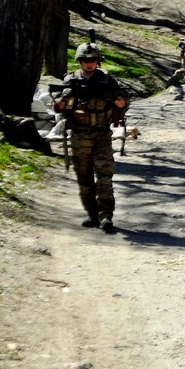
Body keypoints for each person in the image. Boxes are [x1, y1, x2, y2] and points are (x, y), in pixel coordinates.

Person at [53, 42, 129, 234]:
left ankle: (106, 216)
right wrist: (67, 95)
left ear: (98, 61)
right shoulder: (70, 80)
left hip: (102, 134)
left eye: (93, 60)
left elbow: (123, 103)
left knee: (105, 176)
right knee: (84, 177)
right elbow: (57, 107)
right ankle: (92, 213)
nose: (89, 64)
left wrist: (112, 96)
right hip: (79, 135)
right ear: (80, 61)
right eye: (85, 60)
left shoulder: (108, 80)